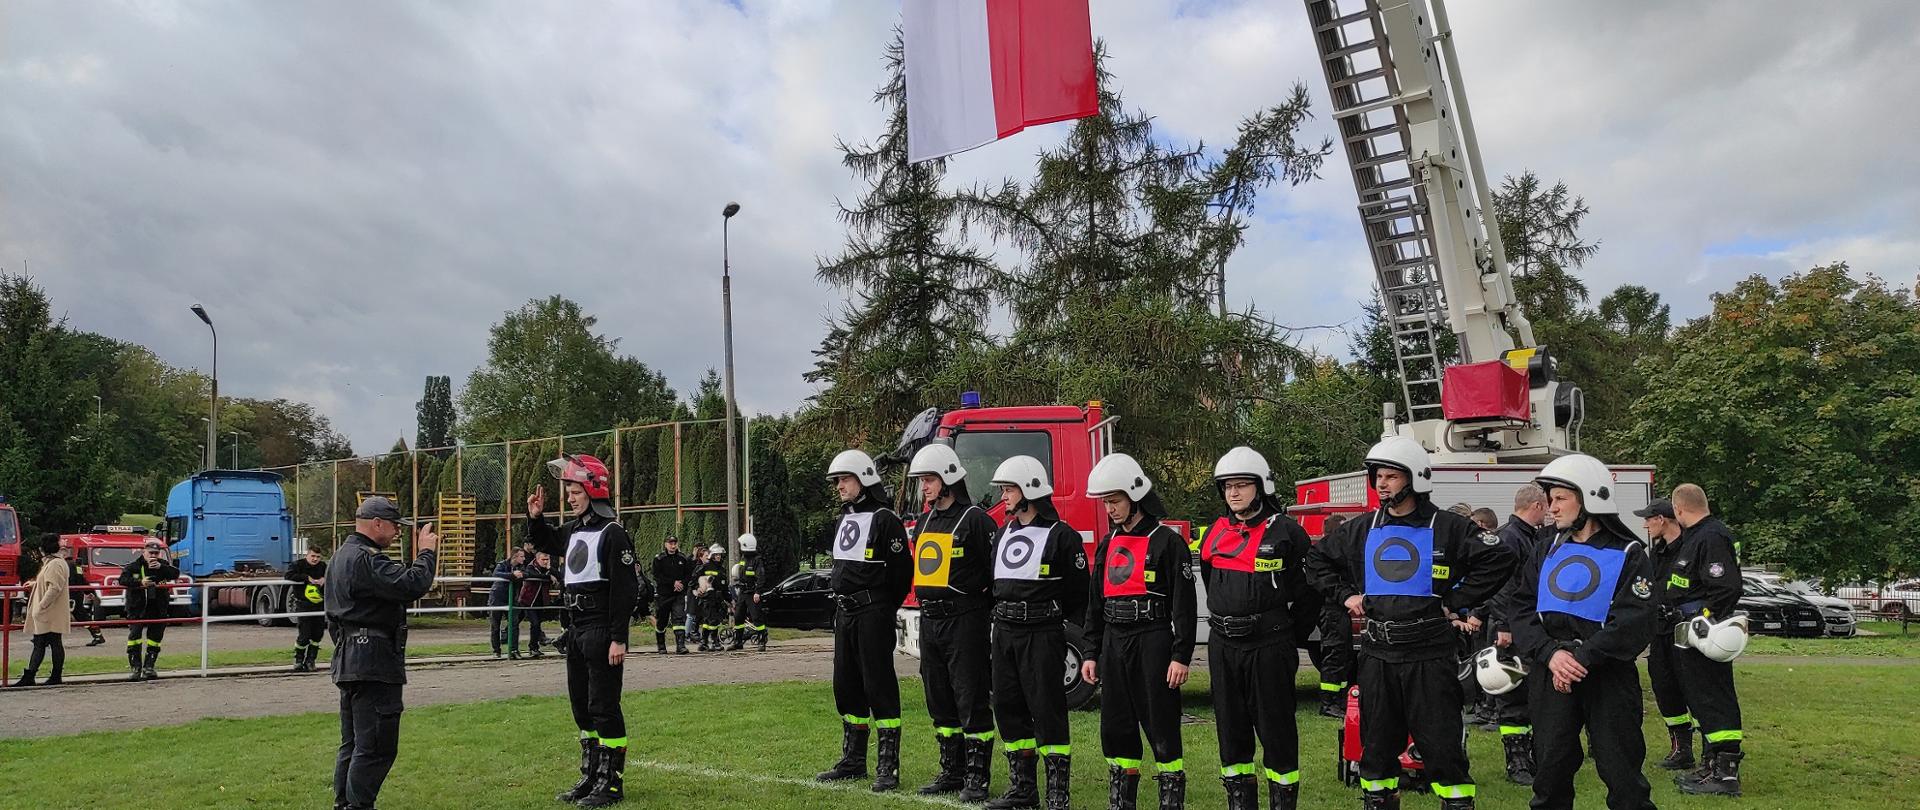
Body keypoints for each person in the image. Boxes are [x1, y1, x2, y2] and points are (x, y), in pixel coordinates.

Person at [1305, 436, 1515, 810]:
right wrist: (1345, 596)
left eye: (1391, 476)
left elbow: (1500, 558)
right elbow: (1316, 559)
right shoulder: (1362, 528)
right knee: (1376, 752)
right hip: (1377, 655)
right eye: (1378, 477)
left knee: (1444, 751)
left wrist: (1454, 600)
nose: (1382, 484)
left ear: (1415, 477)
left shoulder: (1448, 526)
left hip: (1430, 655)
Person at [1510, 454, 1659, 810]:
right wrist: (1551, 655)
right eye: (1550, 499)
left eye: (1561, 498)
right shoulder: (1546, 548)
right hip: (1551, 672)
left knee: (1622, 773)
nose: (1552, 508)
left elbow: (1635, 619)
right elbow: (1522, 607)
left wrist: (1581, 658)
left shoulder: (1628, 553)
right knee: (1550, 772)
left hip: (1607, 675)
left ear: (1590, 497)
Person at [1081, 454, 1197, 810]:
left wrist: (1180, 656)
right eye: (1106, 502)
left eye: (1115, 501)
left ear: (1135, 497)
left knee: (1161, 722)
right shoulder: (1108, 543)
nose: (1110, 509)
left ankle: (1171, 799)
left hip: (1153, 639)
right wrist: (1090, 652)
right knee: (1116, 724)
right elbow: (1095, 603)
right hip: (1114, 641)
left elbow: (1184, 605)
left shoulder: (1167, 542)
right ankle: (1121, 801)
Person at [526, 454, 642, 807]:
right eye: (569, 492)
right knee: (582, 707)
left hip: (600, 628)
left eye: (575, 492)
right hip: (576, 629)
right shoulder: (575, 529)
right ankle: (591, 775)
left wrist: (618, 638)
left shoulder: (613, 533)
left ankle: (611, 783)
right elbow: (547, 542)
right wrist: (535, 518)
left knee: (603, 706)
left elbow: (625, 590)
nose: (570, 498)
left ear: (594, 490)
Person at [1201, 447, 1313, 810]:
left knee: (1276, 732)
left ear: (1261, 486)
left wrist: (1288, 633)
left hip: (1269, 645)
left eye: (1241, 485)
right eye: (1227, 486)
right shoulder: (1215, 531)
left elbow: (1309, 591)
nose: (1233, 493)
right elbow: (1210, 579)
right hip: (1223, 645)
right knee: (1231, 731)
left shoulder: (1287, 532)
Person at [983, 455, 1088, 810]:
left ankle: (1058, 792)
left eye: (1009, 489)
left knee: (1047, 709)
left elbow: (1079, 594)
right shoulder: (1002, 535)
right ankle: (1022, 788)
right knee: (1007, 707)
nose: (1003, 496)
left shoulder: (1062, 536)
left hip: (1042, 633)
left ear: (1029, 490)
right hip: (1004, 632)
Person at [326, 496, 439, 810]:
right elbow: (412, 585)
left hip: (349, 657)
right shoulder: (368, 559)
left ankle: (344, 803)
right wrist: (426, 552)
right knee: (376, 746)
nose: (397, 532)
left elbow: (332, 616)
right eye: (394, 525)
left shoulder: (339, 557)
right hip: (373, 661)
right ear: (376, 523)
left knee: (353, 744)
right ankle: (359, 806)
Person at [904, 443, 1000, 802]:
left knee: (970, 697)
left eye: (929, 480)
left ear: (947, 479)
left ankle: (977, 776)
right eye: (921, 481)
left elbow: (995, 572)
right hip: (931, 621)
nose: (924, 487)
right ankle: (952, 770)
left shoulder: (976, 520)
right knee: (939, 698)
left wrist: (982, 611)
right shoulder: (925, 521)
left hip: (965, 621)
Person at [815, 449, 914, 792]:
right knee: (846, 684)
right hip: (845, 614)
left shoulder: (886, 520)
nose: (839, 487)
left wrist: (882, 608)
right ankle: (853, 760)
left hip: (873, 612)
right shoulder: (844, 517)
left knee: (878, 685)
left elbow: (902, 574)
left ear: (864, 479)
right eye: (837, 481)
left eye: (844, 480)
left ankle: (888, 765)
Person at [1665, 483, 1746, 797]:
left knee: (1714, 698)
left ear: (1678, 509)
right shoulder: (1697, 536)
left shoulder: (1711, 536)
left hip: (1705, 632)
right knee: (1701, 699)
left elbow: (1726, 587)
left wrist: (1703, 618)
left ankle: (1725, 774)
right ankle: (1712, 764)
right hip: (1690, 631)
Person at [1484, 484, 1551, 785]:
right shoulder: (1511, 537)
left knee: (1531, 692)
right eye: (1547, 505)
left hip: (1527, 625)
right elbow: (1501, 585)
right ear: (1536, 506)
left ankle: (1531, 755)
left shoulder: (1528, 536)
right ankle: (1517, 761)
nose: (1549, 511)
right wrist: (1504, 626)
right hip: (1511, 628)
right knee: (1511, 694)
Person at [1634, 498, 1694, 772]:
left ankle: (1711, 752)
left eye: (1648, 519)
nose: (1645, 525)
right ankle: (1681, 748)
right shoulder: (1656, 552)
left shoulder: (1690, 547)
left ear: (1662, 519)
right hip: (1659, 631)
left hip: (1685, 630)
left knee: (1693, 687)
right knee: (1664, 687)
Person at [120, 537, 180, 681]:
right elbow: (122, 580)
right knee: (134, 637)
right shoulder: (134, 566)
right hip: (137, 608)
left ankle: (149, 667)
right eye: (150, 553)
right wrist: (140, 582)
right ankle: (135, 668)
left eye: (156, 553)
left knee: (155, 639)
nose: (153, 556)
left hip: (158, 607)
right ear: (144, 552)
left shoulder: (163, 565)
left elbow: (176, 574)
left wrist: (161, 568)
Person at [1315, 514, 1356, 718]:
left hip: (1339, 611)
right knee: (1335, 654)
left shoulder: (1335, 551)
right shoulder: (1327, 553)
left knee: (1343, 655)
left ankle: (1339, 699)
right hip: (1332, 611)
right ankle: (1328, 702)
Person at [17, 534, 71, 687]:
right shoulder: (55, 563)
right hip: (51, 612)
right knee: (52, 642)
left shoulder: (55, 564)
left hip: (48, 612)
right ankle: (52, 675)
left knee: (42, 643)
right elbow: (50, 583)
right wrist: (36, 584)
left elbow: (54, 588)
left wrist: (41, 606)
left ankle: (32, 675)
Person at [287, 547, 330, 672]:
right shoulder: (298, 565)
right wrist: (306, 578)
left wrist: (325, 579)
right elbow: (288, 575)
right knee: (304, 635)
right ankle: (298, 660)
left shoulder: (323, 566)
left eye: (318, 557)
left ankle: (311, 660)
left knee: (317, 634)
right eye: (313, 556)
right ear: (307, 555)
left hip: (319, 604)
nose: (315, 559)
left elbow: (332, 575)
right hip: (303, 604)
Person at [651, 535, 693, 655]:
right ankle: (661, 645)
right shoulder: (659, 559)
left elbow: (688, 575)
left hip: (678, 594)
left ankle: (680, 645)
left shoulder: (683, 558)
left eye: (675, 543)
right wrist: (672, 583)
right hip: (664, 594)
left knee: (679, 618)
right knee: (662, 620)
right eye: (670, 543)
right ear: (666, 544)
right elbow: (657, 576)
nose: (673, 546)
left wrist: (682, 584)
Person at [728, 534, 767, 652]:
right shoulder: (743, 558)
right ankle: (738, 642)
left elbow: (761, 577)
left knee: (757, 618)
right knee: (738, 617)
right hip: (743, 592)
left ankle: (762, 641)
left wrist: (757, 592)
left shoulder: (757, 560)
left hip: (752, 593)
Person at [64, 538, 106, 646]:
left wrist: (88, 591)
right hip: (76, 594)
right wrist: (89, 592)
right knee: (82, 616)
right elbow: (82, 579)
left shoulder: (62, 565)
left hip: (68, 594)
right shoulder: (75, 565)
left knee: (54, 616)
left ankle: (44, 638)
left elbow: (79, 579)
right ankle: (97, 635)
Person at [514, 551, 555, 659]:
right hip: (528, 601)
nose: (545, 562)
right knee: (534, 623)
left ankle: (535, 647)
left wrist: (550, 571)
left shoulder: (548, 569)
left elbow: (558, 577)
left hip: (540, 601)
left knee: (537, 624)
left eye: (547, 559)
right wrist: (548, 577)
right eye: (543, 559)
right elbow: (532, 575)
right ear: (537, 559)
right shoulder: (531, 566)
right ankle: (531, 647)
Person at [488, 549, 526, 659]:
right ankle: (496, 650)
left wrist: (521, 575)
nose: (523, 559)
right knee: (495, 625)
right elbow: (496, 574)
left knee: (514, 624)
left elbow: (527, 574)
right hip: (497, 598)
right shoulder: (502, 564)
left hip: (512, 598)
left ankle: (514, 649)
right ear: (515, 557)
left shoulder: (521, 567)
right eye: (521, 556)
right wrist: (512, 575)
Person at [694, 544, 729, 652]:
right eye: (716, 554)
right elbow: (694, 579)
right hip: (708, 598)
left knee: (708, 621)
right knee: (713, 620)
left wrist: (730, 600)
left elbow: (724, 587)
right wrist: (697, 588)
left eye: (720, 555)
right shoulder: (705, 567)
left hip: (718, 599)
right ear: (712, 555)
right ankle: (714, 642)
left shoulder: (722, 569)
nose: (718, 556)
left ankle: (704, 642)